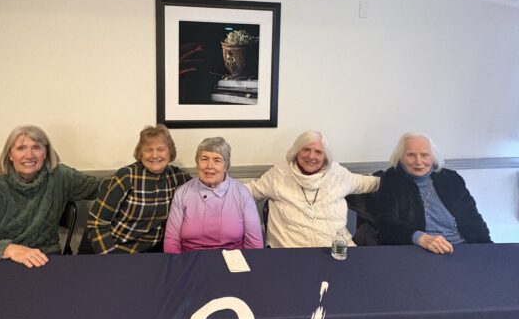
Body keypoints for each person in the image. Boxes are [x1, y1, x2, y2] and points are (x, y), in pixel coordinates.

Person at [0, 125, 100, 267]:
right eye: (21, 148)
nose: (29, 155)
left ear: (46, 153)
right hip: (3, 263)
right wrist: (8, 249)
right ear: (10, 154)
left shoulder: (60, 177)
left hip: (46, 259)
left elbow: (104, 188)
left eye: (36, 147)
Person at [247, 130, 379, 247]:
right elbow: (248, 192)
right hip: (290, 252)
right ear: (296, 152)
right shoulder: (279, 175)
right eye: (306, 149)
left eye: (318, 152)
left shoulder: (338, 174)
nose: (311, 156)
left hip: (337, 250)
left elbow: (371, 183)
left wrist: (390, 176)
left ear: (325, 156)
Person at [376, 132, 491, 253]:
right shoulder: (392, 179)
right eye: (411, 155)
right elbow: (386, 221)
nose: (418, 161)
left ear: (433, 157)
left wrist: (487, 248)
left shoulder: (450, 178)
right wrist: (418, 237)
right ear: (400, 157)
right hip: (420, 249)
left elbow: (472, 218)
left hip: (461, 246)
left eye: (424, 155)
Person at [85, 125, 190, 254]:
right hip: (114, 248)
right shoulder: (126, 177)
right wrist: (111, 257)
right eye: (148, 150)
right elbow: (97, 223)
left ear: (170, 152)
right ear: (140, 154)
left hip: (151, 253)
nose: (155, 155)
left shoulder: (177, 177)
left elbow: (202, 187)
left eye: (161, 149)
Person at [164, 136, 263, 253]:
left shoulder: (242, 193)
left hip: (233, 260)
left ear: (225, 166)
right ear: (197, 163)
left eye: (217, 160)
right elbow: (171, 240)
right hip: (190, 258)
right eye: (204, 159)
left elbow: (254, 243)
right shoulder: (182, 193)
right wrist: (177, 262)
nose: (209, 166)